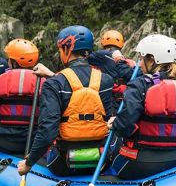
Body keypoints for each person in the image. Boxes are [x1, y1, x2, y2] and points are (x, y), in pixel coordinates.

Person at [18, 26, 114, 177]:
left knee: (44, 155)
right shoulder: (106, 80)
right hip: (100, 160)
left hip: (64, 163)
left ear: (66, 49)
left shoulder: (54, 84)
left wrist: (28, 163)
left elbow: (47, 132)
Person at [107, 34, 176, 179]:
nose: (139, 63)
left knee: (113, 148)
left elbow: (125, 126)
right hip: (173, 159)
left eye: (141, 58)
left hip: (140, 163)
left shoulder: (139, 85)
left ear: (151, 60)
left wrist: (115, 124)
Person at [0, 39, 44, 155]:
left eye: (9, 59)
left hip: (5, 143)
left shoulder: (1, 80)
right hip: (32, 144)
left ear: (14, 62)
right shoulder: (43, 82)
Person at [88, 29, 135, 104]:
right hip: (123, 99)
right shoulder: (125, 60)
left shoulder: (101, 55)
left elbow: (85, 57)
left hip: (109, 98)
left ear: (103, 42)